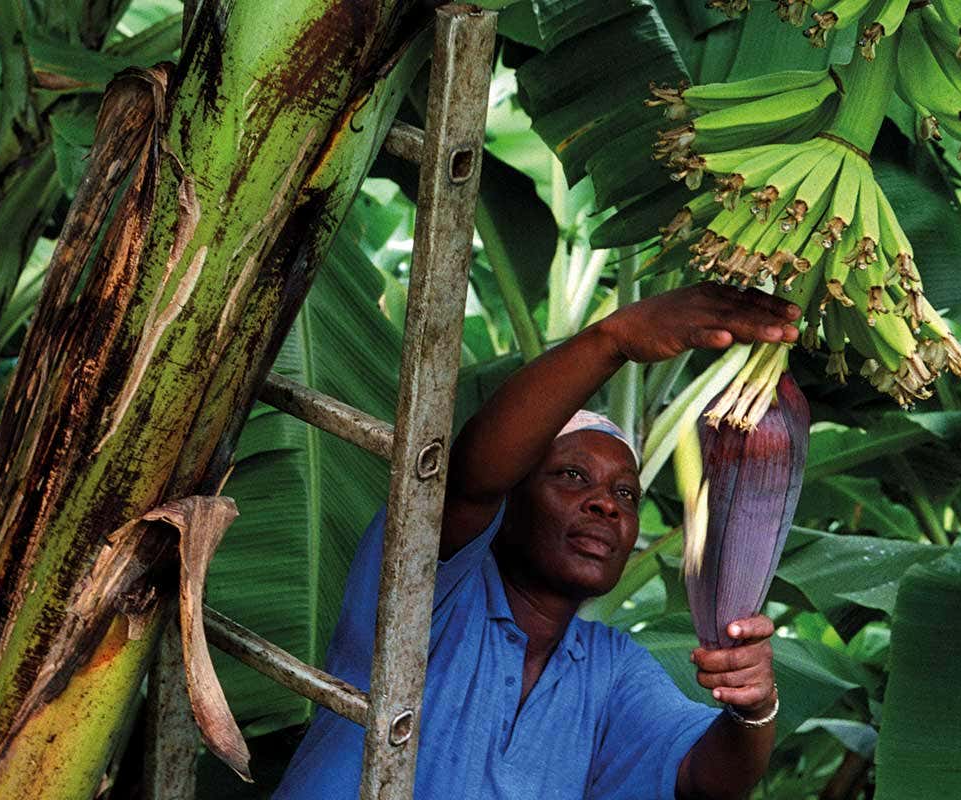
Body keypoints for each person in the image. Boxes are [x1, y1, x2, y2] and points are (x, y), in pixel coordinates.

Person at [274, 281, 802, 799]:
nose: (606, 504)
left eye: (625, 493)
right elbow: (473, 476)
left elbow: (704, 777)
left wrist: (753, 708)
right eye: (573, 476)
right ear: (511, 498)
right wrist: (614, 339)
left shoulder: (608, 671)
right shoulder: (433, 590)